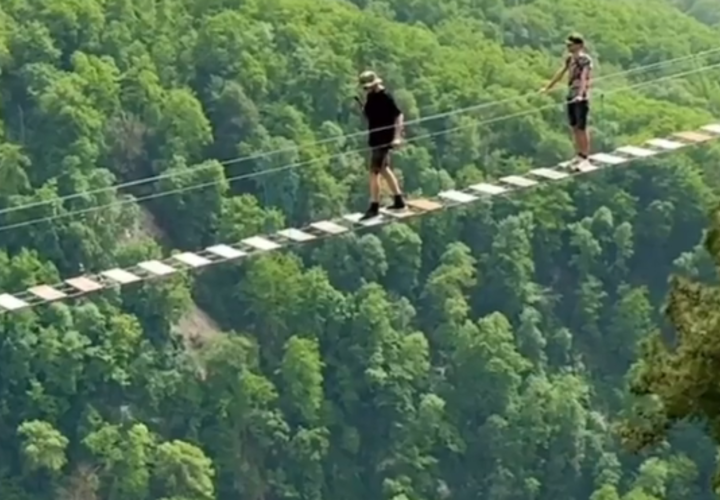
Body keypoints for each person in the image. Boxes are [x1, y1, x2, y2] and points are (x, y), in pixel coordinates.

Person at [356, 70, 406, 220]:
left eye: (368, 87)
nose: (366, 90)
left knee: (374, 172)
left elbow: (398, 115)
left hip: (384, 139)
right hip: (376, 137)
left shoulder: (385, 96)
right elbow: (372, 115)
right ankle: (399, 200)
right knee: (384, 169)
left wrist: (397, 137)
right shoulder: (371, 96)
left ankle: (374, 206)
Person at [541, 34, 593, 170]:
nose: (568, 47)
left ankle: (585, 156)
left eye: (571, 45)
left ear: (579, 45)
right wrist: (548, 87)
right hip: (571, 95)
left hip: (581, 96)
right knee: (574, 126)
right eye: (568, 45)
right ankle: (579, 154)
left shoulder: (585, 60)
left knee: (582, 127)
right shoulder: (570, 59)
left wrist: (581, 95)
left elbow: (584, 77)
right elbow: (561, 73)